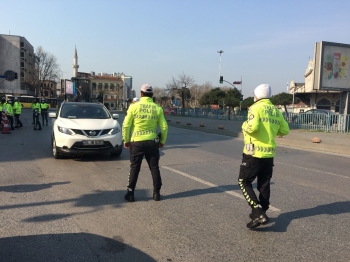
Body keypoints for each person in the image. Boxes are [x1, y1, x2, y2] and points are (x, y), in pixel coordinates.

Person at [238, 84, 290, 228]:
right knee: (264, 184)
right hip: (269, 154)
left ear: (256, 96)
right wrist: (271, 132)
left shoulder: (255, 107)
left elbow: (252, 127)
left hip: (253, 152)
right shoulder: (275, 110)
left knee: (243, 182)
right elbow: (285, 130)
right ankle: (262, 211)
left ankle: (258, 211)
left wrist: (244, 126)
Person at [122, 84, 168, 202]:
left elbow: (126, 125)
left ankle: (131, 193)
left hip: (136, 142)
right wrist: (162, 141)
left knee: (135, 167)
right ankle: (156, 193)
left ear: (141, 94)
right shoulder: (157, 108)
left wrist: (126, 140)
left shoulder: (133, 107)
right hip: (152, 142)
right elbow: (164, 127)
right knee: (154, 167)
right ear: (152, 95)